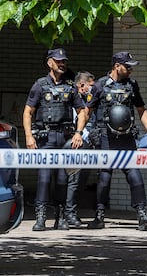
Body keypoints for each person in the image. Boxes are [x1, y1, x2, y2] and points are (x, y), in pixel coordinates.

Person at [86, 51, 147, 231]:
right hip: (106, 137)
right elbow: (87, 111)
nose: (130, 70)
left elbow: (141, 110)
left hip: (127, 137)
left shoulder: (132, 85)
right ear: (116, 66)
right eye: (127, 66)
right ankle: (99, 216)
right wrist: (80, 132)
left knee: (134, 174)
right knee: (104, 177)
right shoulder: (100, 86)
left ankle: (142, 216)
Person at [22, 48, 86, 231]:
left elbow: (82, 112)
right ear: (49, 62)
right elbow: (28, 112)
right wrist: (28, 136)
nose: (62, 63)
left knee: (62, 180)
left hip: (65, 139)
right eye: (58, 61)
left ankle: (60, 218)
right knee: (44, 178)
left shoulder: (70, 86)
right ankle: (41, 218)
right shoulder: (40, 85)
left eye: (64, 60)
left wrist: (78, 133)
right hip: (46, 138)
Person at [64, 71, 95, 228]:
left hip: (85, 145)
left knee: (80, 181)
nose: (92, 89)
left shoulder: (86, 101)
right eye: (90, 86)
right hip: (73, 144)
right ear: (81, 85)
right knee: (73, 181)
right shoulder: (72, 99)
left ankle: (70, 213)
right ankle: (68, 214)